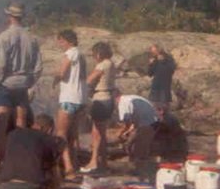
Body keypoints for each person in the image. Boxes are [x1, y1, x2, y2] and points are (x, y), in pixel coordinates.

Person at [0, 3, 42, 178]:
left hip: (6, 84)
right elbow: (38, 67)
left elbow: (1, 65)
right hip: (23, 84)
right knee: (21, 124)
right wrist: (29, 81)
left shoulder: (4, 36)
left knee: (1, 124)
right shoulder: (32, 38)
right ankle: (20, 163)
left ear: (9, 16)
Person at [114, 91, 188, 181]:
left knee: (139, 149)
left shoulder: (123, 102)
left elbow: (126, 123)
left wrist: (120, 134)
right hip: (150, 123)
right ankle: (139, 168)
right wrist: (128, 134)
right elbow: (133, 122)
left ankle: (142, 173)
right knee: (135, 145)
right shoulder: (130, 98)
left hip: (148, 125)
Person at [53, 29, 87, 179]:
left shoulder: (70, 53)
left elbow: (62, 73)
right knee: (72, 134)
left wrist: (55, 79)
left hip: (69, 98)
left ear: (68, 41)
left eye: (61, 41)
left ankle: (68, 168)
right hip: (81, 99)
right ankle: (75, 163)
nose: (60, 44)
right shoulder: (81, 55)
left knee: (61, 134)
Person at [81, 41, 116, 174]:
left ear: (99, 53)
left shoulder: (103, 65)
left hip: (100, 98)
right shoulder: (111, 64)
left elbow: (89, 80)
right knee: (102, 133)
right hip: (108, 98)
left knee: (96, 134)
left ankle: (94, 161)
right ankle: (103, 163)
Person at [147, 43, 176, 112]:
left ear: (159, 50)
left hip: (164, 87)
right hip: (155, 86)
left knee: (164, 109)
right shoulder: (154, 59)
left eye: (154, 52)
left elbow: (171, 70)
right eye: (152, 52)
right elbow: (150, 74)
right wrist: (150, 65)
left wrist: (163, 61)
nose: (153, 54)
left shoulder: (168, 58)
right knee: (153, 108)